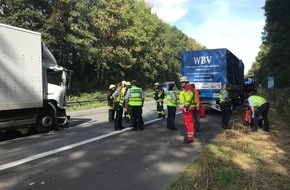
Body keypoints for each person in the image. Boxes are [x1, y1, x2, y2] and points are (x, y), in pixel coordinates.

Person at [179, 76, 196, 144]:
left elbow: (188, 98)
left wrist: (185, 107)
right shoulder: (186, 88)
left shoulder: (189, 88)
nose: (181, 83)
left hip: (188, 109)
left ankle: (190, 138)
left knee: (188, 123)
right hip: (187, 109)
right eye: (181, 82)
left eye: (182, 82)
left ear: (186, 82)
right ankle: (190, 137)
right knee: (188, 123)